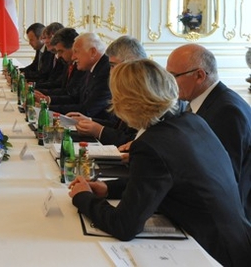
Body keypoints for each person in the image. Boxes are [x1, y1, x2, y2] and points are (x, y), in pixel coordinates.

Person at [69, 59, 251, 267]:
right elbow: (160, 180)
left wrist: (83, 197)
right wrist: (108, 188)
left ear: (126, 102)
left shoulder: (151, 144)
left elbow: (124, 226)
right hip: (237, 241)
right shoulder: (191, 121)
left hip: (213, 254)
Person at [166, 43, 251, 220]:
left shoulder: (227, 111)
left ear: (199, 76)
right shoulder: (204, 102)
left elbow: (223, 179)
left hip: (223, 218)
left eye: (174, 76)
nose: (169, 83)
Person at [67, 35, 146, 146]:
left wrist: (100, 131)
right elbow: (116, 125)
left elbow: (135, 140)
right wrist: (89, 121)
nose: (110, 72)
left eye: (113, 66)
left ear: (131, 63)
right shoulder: (128, 89)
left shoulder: (144, 93)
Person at [42, 32, 112, 119]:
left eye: (76, 52)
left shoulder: (106, 71)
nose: (73, 57)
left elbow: (87, 110)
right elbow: (75, 98)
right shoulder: (91, 67)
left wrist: (46, 108)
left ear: (93, 52)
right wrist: (47, 102)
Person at [36, 28, 85, 99]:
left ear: (73, 47)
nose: (58, 56)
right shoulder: (67, 62)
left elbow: (73, 97)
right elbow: (60, 85)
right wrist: (36, 89)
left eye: (61, 51)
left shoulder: (82, 66)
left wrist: (47, 99)